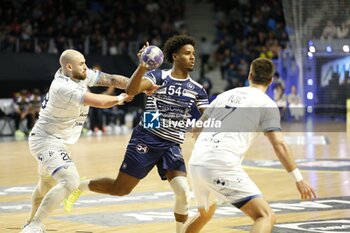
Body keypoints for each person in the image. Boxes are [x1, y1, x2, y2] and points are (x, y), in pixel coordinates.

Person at [65, 35, 209, 233]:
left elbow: (207, 115)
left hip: (172, 144)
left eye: (193, 53)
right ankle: (80, 187)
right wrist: (143, 66)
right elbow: (132, 90)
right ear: (175, 56)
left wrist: (203, 124)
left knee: (183, 192)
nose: (192, 57)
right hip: (147, 137)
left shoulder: (198, 89)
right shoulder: (158, 76)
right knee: (121, 189)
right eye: (187, 53)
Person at [182, 58, 316, 233]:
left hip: (196, 163)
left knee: (205, 214)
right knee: (265, 216)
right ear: (271, 80)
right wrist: (299, 179)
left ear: (249, 76)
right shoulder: (266, 104)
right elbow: (279, 144)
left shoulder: (225, 95)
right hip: (220, 164)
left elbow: (197, 128)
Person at [21, 49, 134, 233]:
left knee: (45, 186)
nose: (85, 66)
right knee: (70, 181)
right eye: (82, 63)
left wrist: (140, 85)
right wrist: (119, 98)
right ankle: (35, 225)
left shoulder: (81, 74)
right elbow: (97, 101)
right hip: (46, 140)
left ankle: (30, 221)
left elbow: (112, 79)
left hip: (61, 141)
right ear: (69, 67)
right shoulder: (62, 86)